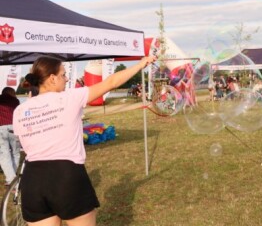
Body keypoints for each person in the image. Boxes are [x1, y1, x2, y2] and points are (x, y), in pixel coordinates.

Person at [13, 55, 156, 226]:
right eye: (63, 75)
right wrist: (141, 64)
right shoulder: (70, 98)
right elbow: (111, 82)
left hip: (33, 180)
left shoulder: (20, 110)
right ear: (52, 78)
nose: (66, 80)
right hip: (66, 175)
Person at [0, 87, 21, 185]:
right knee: (15, 153)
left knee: (4, 155)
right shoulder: (15, 101)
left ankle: (10, 178)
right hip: (14, 128)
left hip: (1, 127)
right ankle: (15, 177)